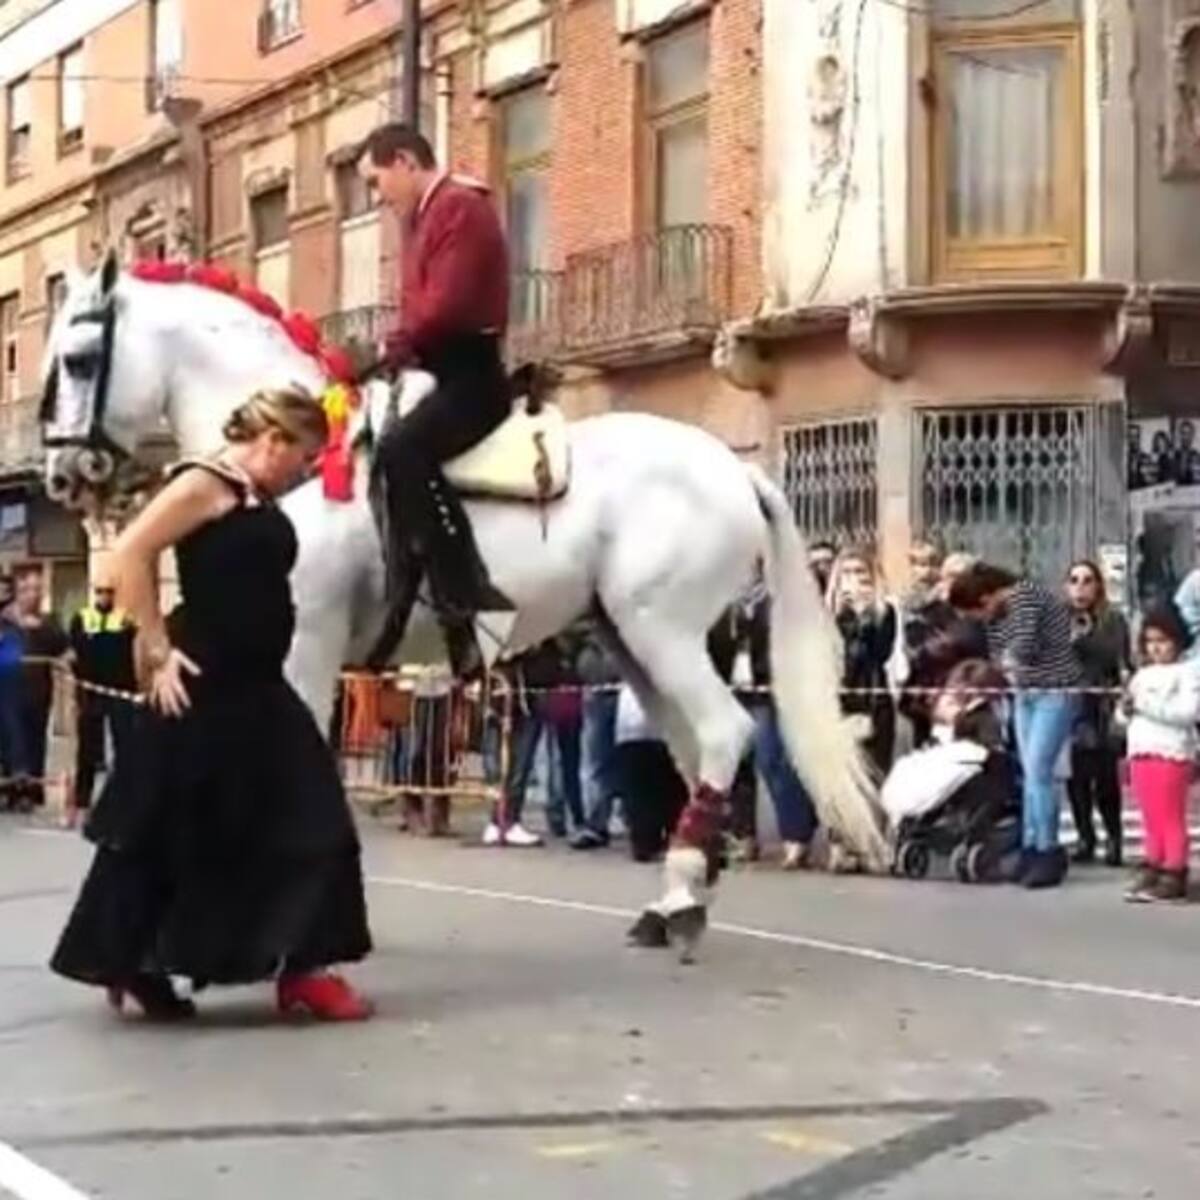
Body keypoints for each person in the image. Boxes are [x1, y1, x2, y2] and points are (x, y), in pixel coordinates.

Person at [51, 388, 372, 1022]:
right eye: (301, 456)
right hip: (208, 683)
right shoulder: (206, 482)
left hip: (254, 684)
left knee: (297, 815)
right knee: (175, 826)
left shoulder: (249, 495)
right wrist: (157, 648)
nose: (301, 470)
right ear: (273, 439)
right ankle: (140, 963)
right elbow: (131, 552)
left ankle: (300, 966)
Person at [357, 123, 514, 675]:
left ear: (403, 161)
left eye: (378, 182)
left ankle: (463, 603)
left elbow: (444, 308)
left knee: (404, 449)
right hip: (437, 371)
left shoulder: (458, 208)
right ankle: (403, 597)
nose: (379, 197)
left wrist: (391, 345)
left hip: (471, 378)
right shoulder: (425, 216)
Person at [950, 562, 1084, 889]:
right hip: (1025, 693)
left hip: (1054, 692)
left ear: (986, 599)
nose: (978, 621)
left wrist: (992, 671)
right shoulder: (998, 616)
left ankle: (1047, 849)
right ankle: (1030, 844)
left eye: (975, 613)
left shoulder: (1027, 597)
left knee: (1040, 770)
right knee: (1029, 773)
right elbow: (999, 654)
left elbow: (1021, 649)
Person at [1120, 603, 1197, 903]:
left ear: (1177, 641)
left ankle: (1175, 869)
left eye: (1162, 641)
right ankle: (1154, 863)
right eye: (1150, 641)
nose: (1156, 648)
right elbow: (1126, 714)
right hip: (1142, 749)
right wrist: (1125, 710)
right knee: (1150, 816)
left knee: (1170, 817)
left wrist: (1144, 705)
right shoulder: (1142, 675)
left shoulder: (1187, 674)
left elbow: (1187, 713)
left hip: (1171, 751)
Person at [1063, 560, 1130, 866]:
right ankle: (1084, 837)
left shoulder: (1112, 620)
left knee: (1105, 779)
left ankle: (1114, 840)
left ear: (1098, 586)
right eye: (1074, 580)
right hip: (1070, 707)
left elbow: (1116, 656)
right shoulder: (1059, 620)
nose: (1080, 587)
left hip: (1102, 706)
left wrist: (1085, 639)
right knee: (1076, 778)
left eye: (1087, 580)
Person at [68, 579, 137, 817]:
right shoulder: (82, 618)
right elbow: (74, 653)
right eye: (100, 592)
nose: (104, 597)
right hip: (90, 692)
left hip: (121, 691)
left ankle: (124, 799)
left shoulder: (125, 619)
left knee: (124, 746)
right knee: (87, 748)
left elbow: (133, 653)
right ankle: (82, 802)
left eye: (108, 592)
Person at [828, 547, 900, 775]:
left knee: (874, 772)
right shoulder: (828, 612)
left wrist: (863, 617)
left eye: (860, 571)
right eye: (846, 572)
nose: (854, 578)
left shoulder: (884, 610)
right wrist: (842, 615)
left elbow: (880, 654)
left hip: (872, 700)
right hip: (836, 700)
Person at [10, 568, 69, 808]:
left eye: (37, 590)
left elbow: (66, 651)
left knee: (35, 741)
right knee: (13, 740)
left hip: (38, 693)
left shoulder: (49, 623)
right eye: (27, 590)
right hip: (9, 693)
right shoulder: (5, 621)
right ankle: (13, 790)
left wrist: (64, 662)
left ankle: (33, 791)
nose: (32, 595)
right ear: (17, 592)